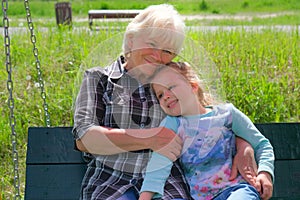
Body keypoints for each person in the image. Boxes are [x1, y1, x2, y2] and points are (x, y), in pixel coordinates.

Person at [73, 4, 259, 200]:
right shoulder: (98, 79)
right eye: (152, 44)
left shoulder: (171, 84)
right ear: (131, 39)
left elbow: (211, 118)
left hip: (167, 183)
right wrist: (150, 138)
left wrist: (243, 144)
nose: (158, 56)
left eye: (167, 51)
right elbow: (85, 139)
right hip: (112, 181)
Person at [139, 62, 274, 200]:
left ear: (193, 86)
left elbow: (261, 144)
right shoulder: (173, 124)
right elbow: (160, 163)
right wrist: (145, 196)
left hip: (236, 190)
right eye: (160, 95)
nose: (166, 96)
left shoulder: (227, 114)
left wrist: (265, 173)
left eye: (171, 87)